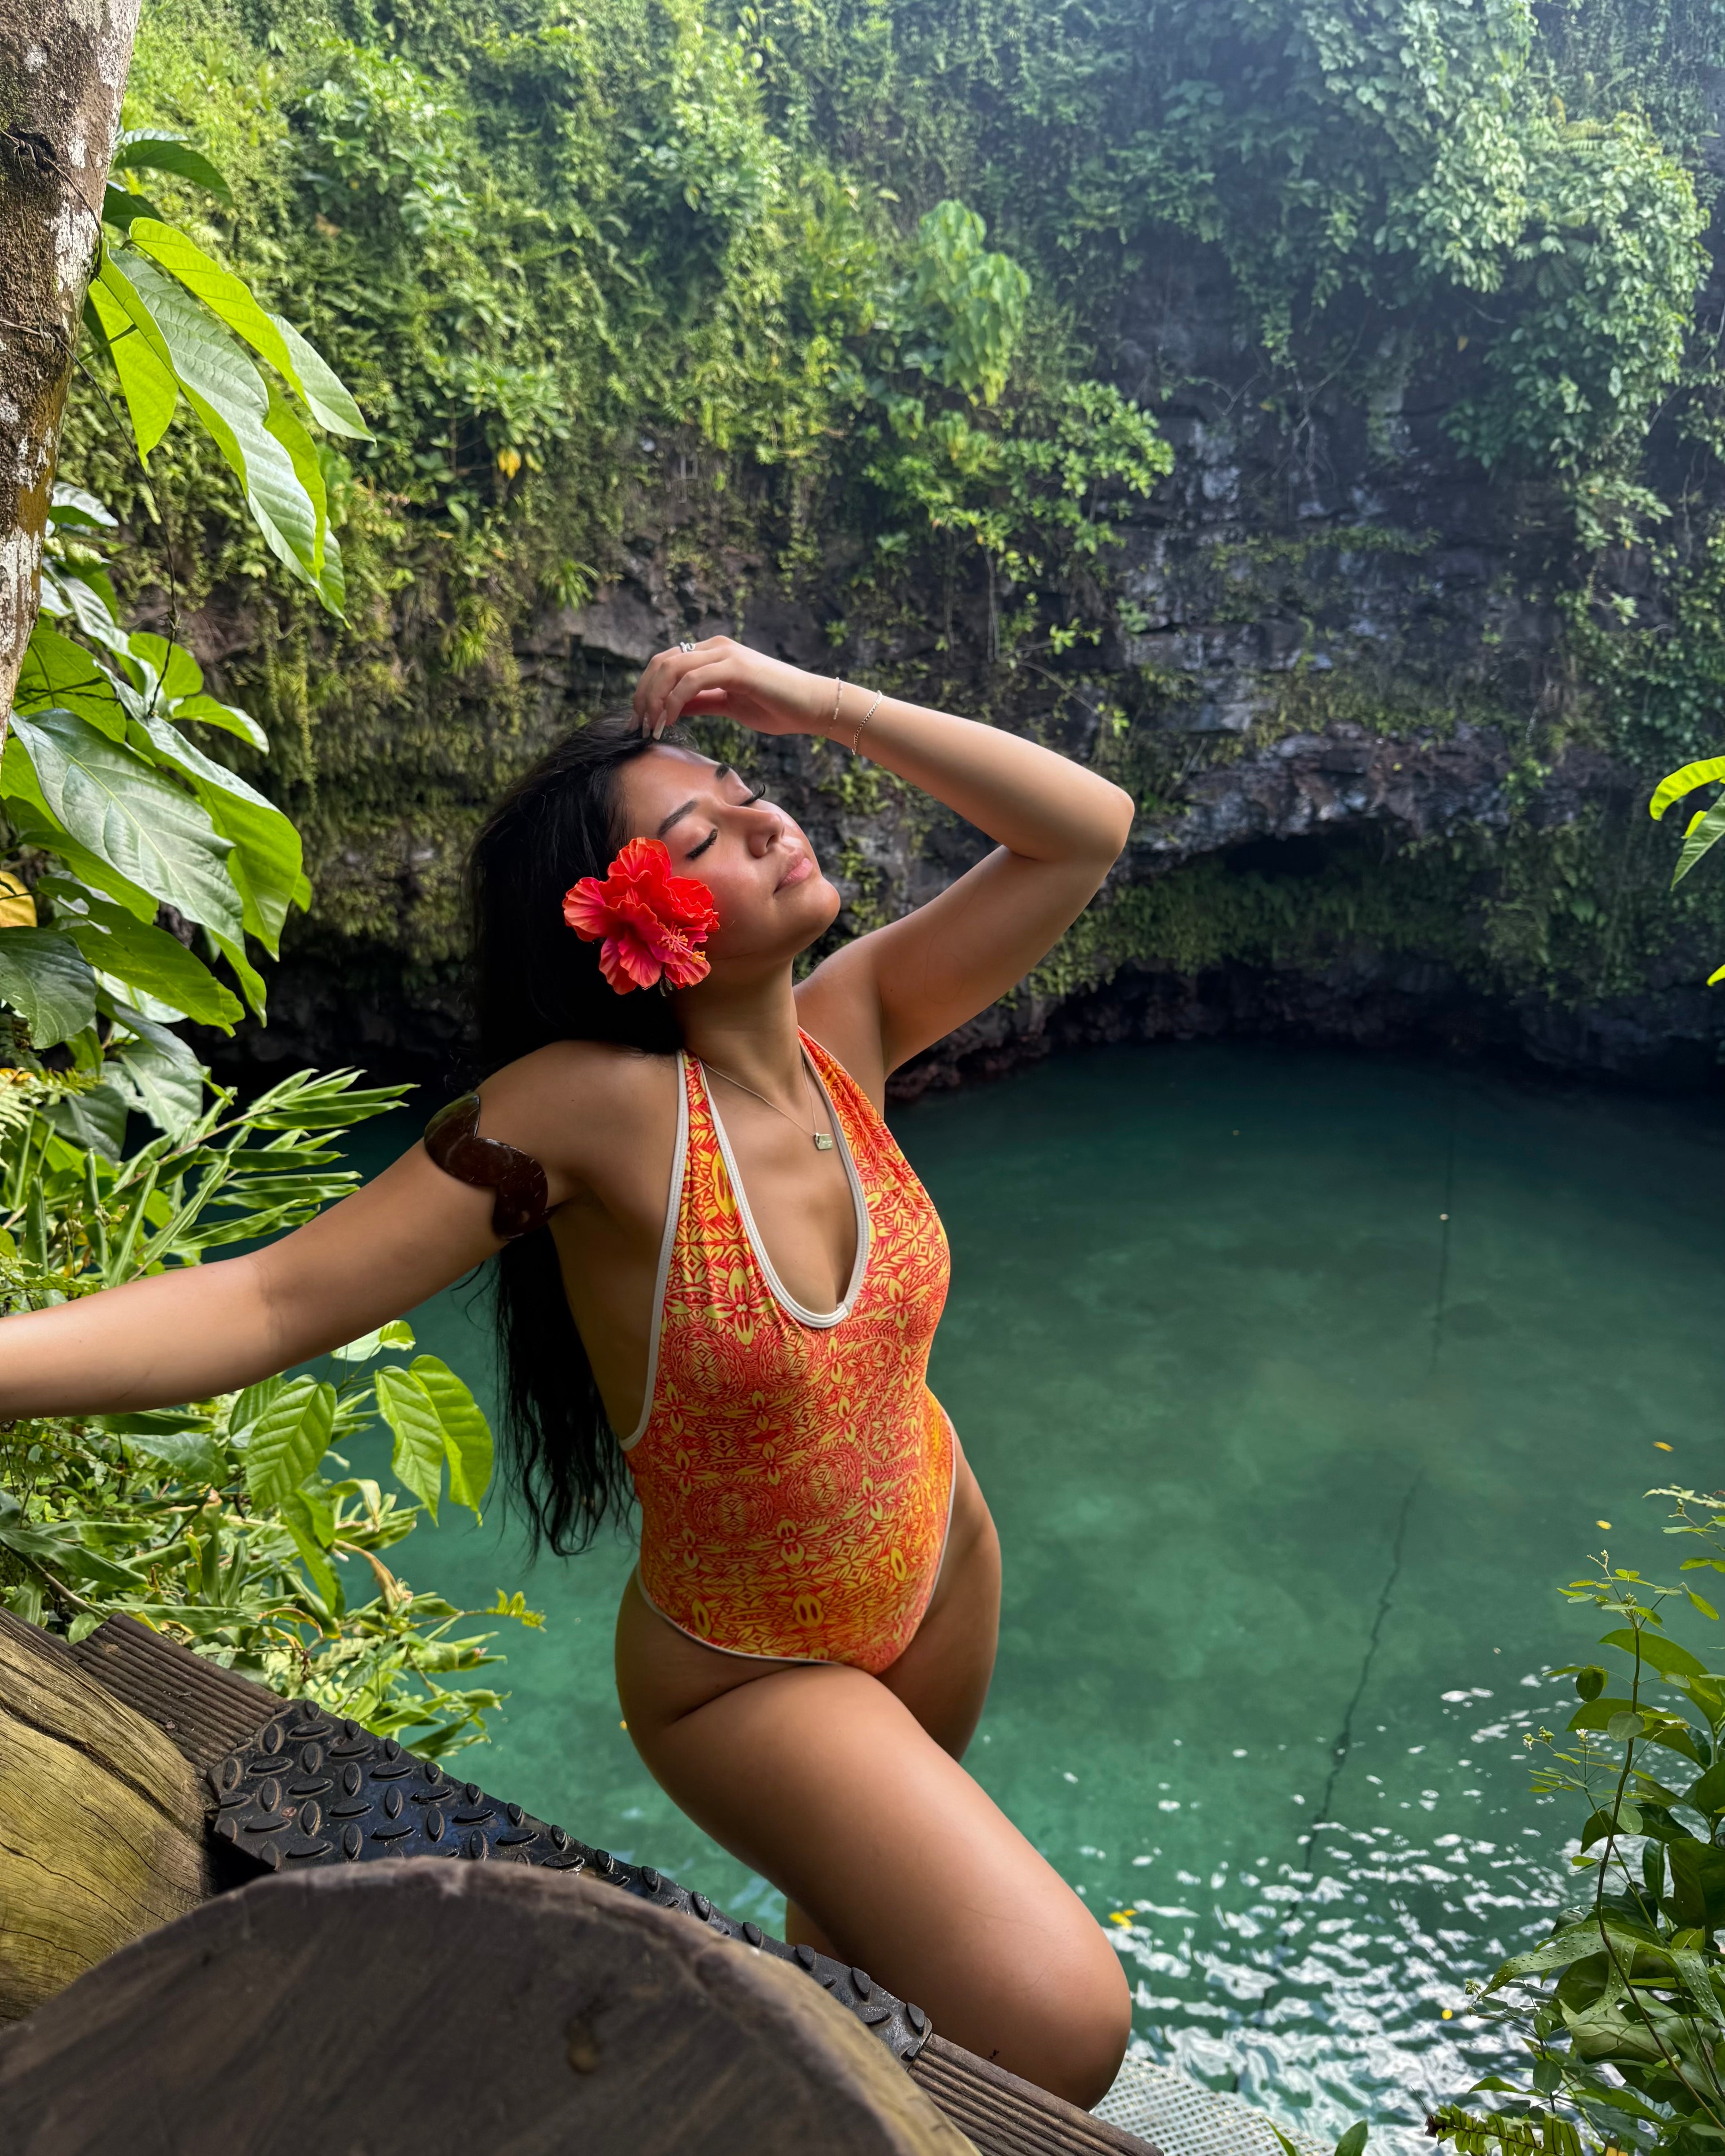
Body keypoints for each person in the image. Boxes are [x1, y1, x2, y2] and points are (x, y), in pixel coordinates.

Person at [1, 637, 1135, 2105]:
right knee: (1063, 2025)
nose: (768, 819)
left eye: (752, 792)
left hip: (945, 1559)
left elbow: (1085, 830)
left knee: (880, 1943)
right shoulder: (585, 1116)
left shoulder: (848, 1029)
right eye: (700, 838)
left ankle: (842, 2085)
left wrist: (814, 702)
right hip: (752, 1677)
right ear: (626, 927)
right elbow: (276, 1295)